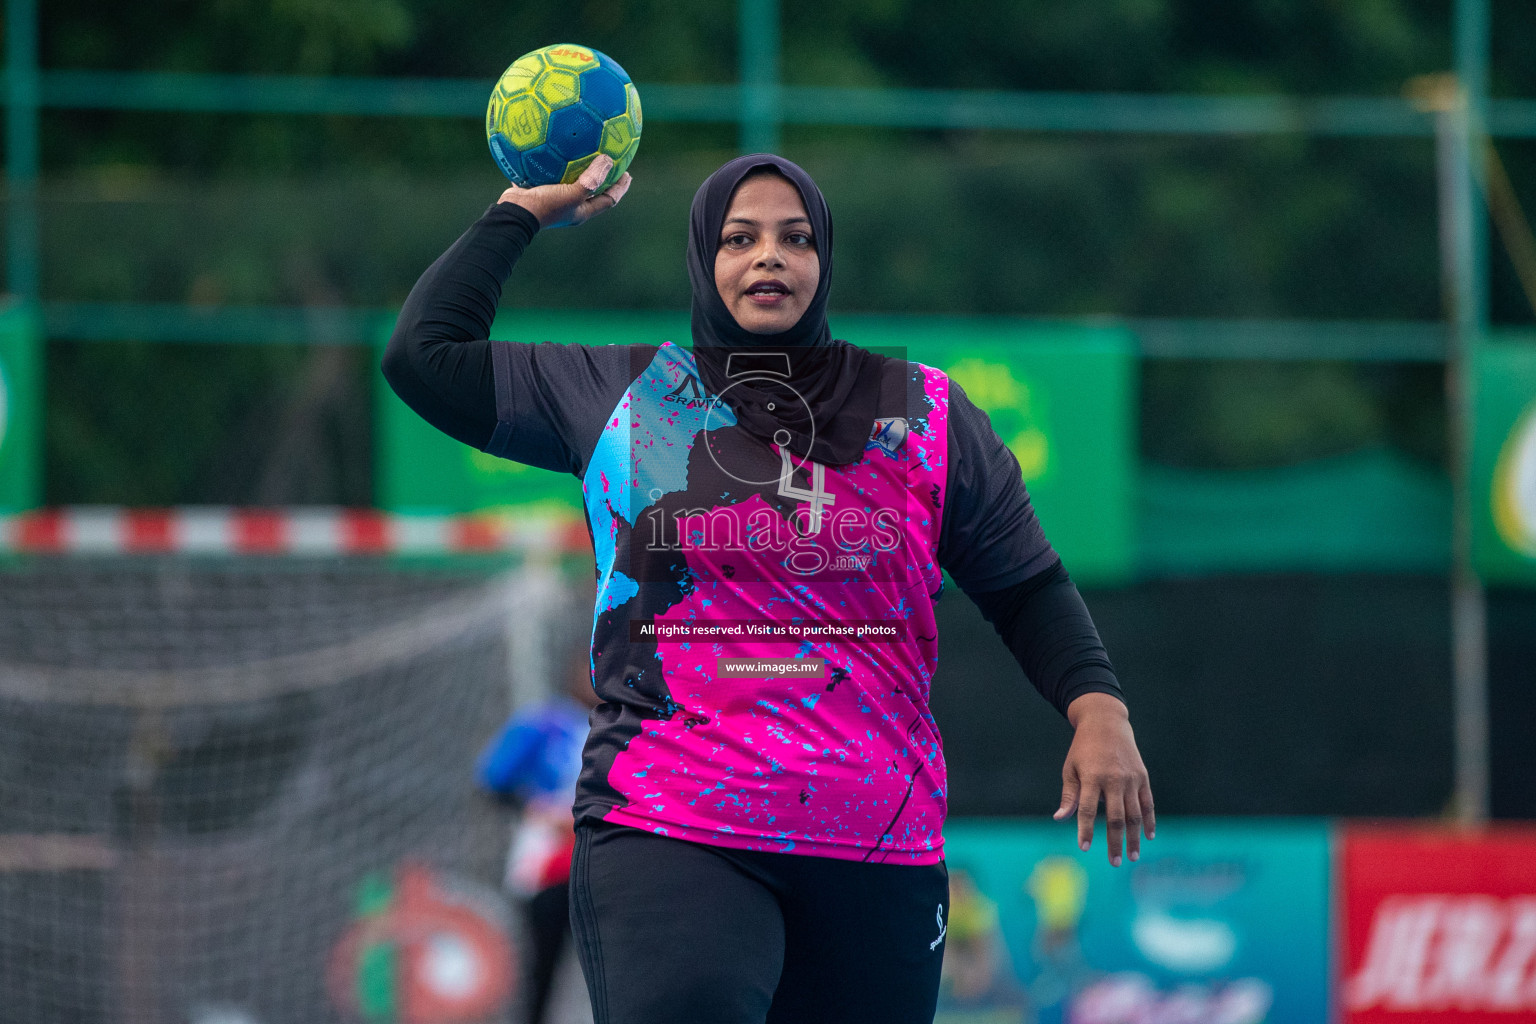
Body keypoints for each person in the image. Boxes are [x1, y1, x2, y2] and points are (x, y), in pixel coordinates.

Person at [383, 150, 1154, 1024]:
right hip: (669, 818)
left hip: (876, 835)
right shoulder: (622, 392)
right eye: (739, 238)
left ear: (824, 260)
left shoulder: (926, 414)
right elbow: (423, 356)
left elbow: (1027, 588)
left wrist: (1100, 709)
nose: (768, 257)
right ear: (704, 262)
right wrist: (519, 212)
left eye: (794, 238)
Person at [477, 619, 600, 1024]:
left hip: (604, 864)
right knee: (542, 970)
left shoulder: (625, 727)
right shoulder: (545, 722)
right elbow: (492, 781)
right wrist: (542, 812)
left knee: (606, 972)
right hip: (550, 865)